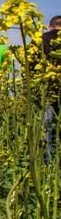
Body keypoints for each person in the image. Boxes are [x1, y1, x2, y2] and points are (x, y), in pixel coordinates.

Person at [42, 15, 61, 161]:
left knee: (49, 127)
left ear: (50, 26)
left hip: (49, 88)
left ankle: (49, 163)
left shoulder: (43, 38)